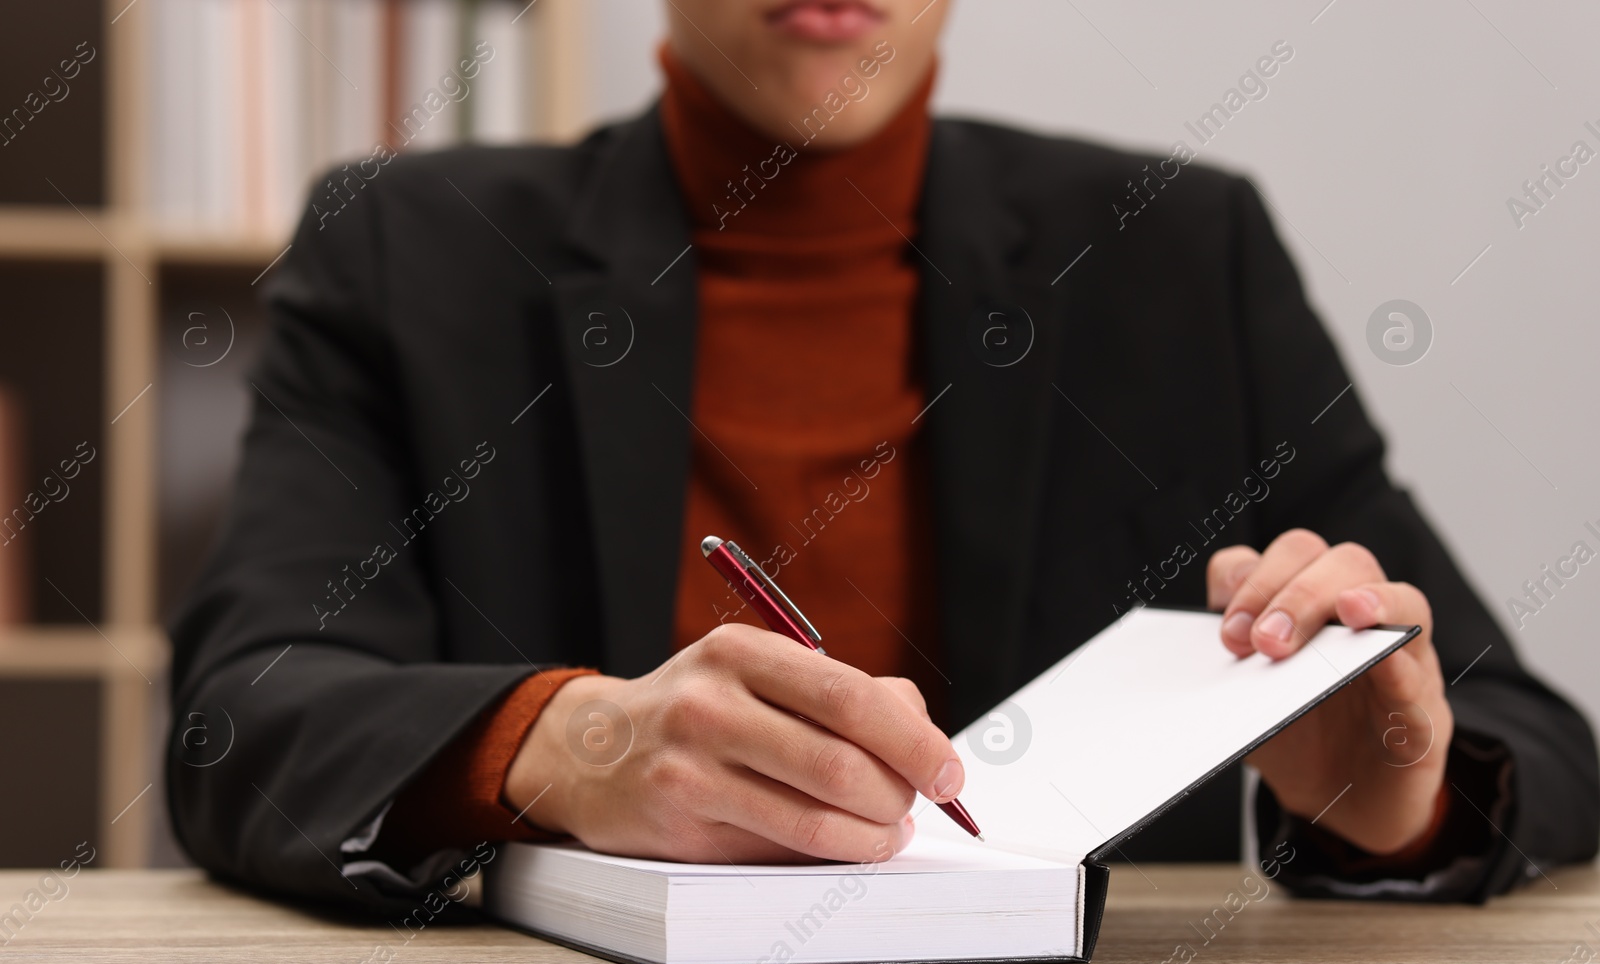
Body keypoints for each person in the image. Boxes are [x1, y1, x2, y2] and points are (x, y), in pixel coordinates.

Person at [167, 0, 1597, 914]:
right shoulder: (407, 254)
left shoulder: (1179, 254)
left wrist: (1395, 804)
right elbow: (244, 718)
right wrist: (573, 744)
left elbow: (1538, 741)